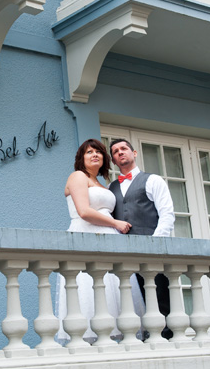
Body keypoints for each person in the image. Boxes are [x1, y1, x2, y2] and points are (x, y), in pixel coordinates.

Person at [56, 139, 131, 343]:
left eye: (98, 151)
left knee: (112, 293)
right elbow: (84, 211)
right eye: (89, 152)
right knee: (89, 289)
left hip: (109, 240)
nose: (95, 154)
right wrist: (116, 223)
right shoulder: (77, 176)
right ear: (82, 158)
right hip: (86, 236)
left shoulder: (103, 184)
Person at [108, 138, 175, 339]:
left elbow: (167, 214)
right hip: (125, 258)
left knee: (159, 300)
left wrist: (153, 245)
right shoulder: (111, 189)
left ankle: (166, 342)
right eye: (116, 151)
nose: (120, 152)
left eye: (124, 149)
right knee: (132, 304)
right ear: (113, 160)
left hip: (153, 253)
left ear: (134, 153)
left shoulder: (153, 180)